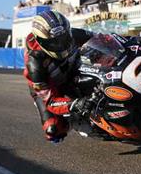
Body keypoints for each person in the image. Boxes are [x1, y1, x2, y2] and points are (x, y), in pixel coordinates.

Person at [23, 10, 95, 143]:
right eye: (54, 42)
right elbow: (50, 101)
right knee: (53, 130)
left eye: (64, 39)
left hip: (73, 72)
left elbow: (103, 38)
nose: (61, 45)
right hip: (51, 88)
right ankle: (73, 121)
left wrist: (128, 42)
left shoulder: (72, 33)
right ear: (40, 41)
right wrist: (74, 104)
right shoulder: (35, 65)